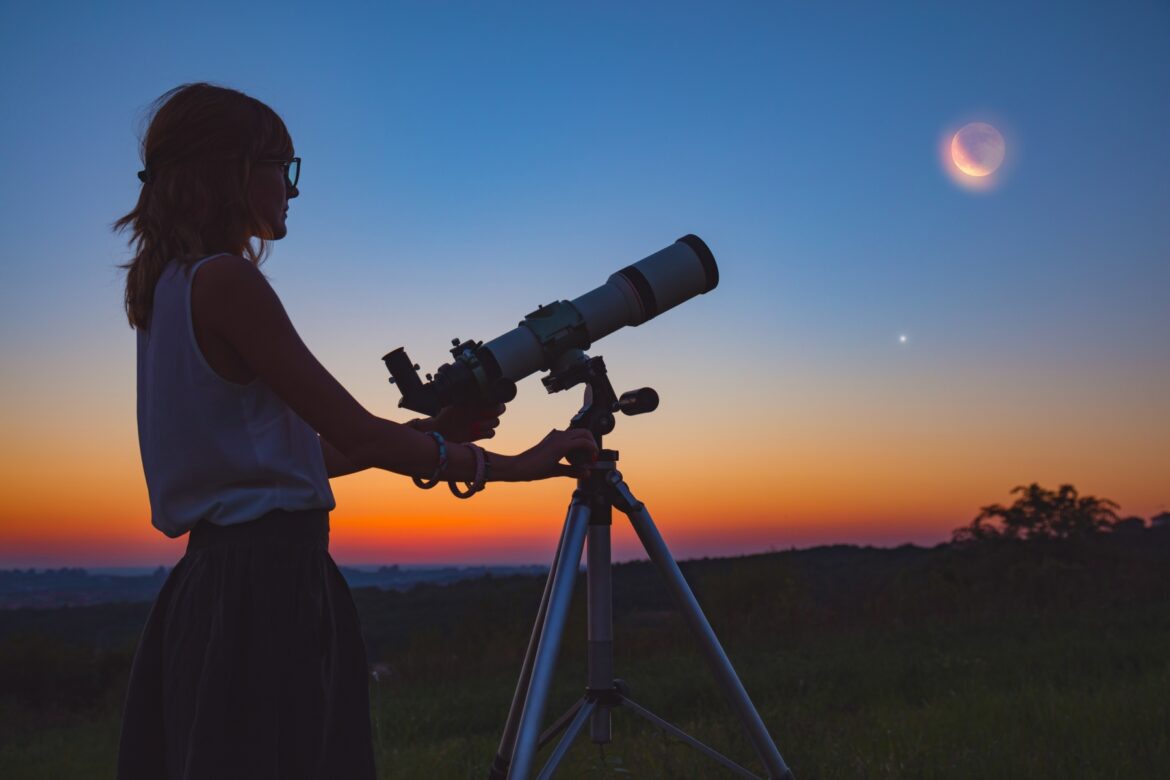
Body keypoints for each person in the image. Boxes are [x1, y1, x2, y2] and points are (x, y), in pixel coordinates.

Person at [114, 82, 597, 780]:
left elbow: (291, 456)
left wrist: (429, 429)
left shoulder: (167, 289)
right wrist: (516, 464)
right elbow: (359, 435)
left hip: (214, 583)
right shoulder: (227, 283)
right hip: (270, 584)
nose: (292, 189)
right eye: (282, 166)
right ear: (230, 170)